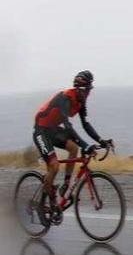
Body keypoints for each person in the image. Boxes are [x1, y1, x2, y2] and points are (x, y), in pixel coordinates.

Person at [32, 70, 111, 206]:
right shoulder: (65, 99)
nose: (89, 94)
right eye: (87, 90)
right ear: (79, 89)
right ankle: (42, 203)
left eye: (89, 90)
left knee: (74, 149)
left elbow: (86, 124)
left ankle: (66, 185)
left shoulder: (81, 102)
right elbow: (68, 127)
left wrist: (100, 140)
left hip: (53, 128)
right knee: (54, 167)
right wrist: (86, 145)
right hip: (41, 130)